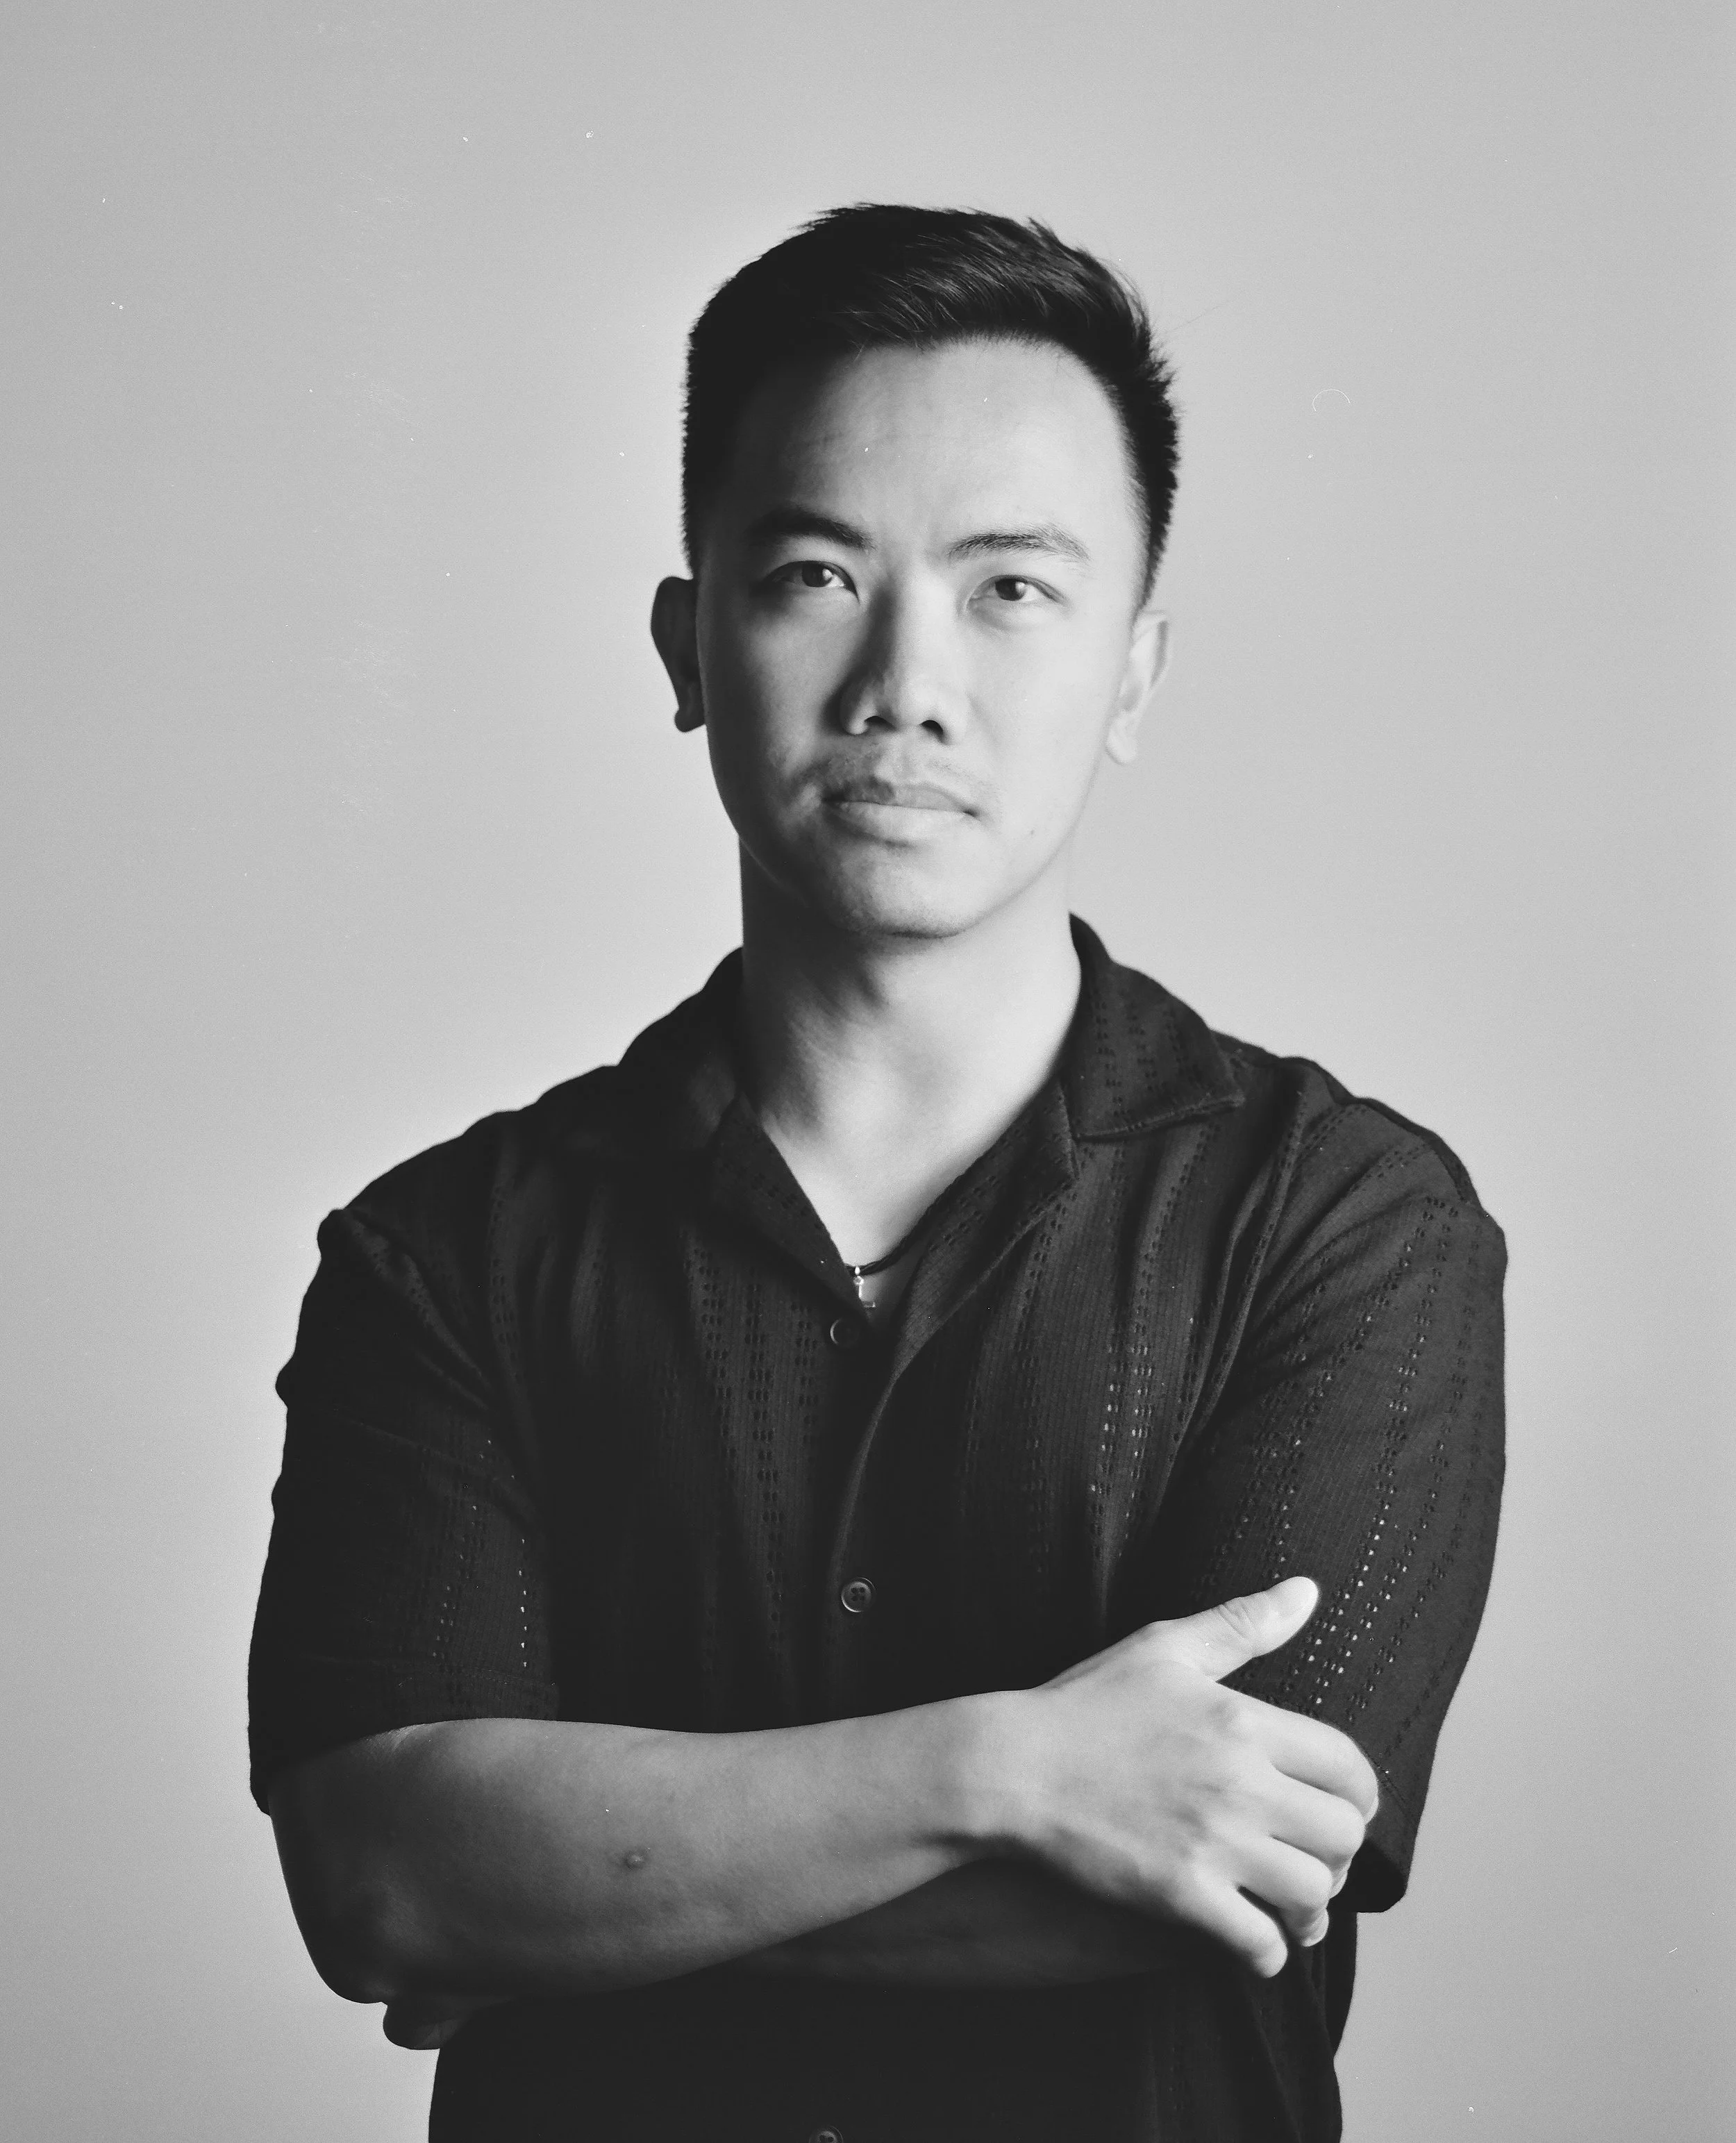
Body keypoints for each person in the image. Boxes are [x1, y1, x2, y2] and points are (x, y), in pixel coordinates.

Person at [251, 205, 1505, 2142]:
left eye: (1010, 588)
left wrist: (570, 1887)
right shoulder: (446, 1256)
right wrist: (1020, 1765)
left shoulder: (1337, 1223)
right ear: (688, 643)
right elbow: (386, 1876)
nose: (904, 680)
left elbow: (1232, 1872)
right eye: (817, 571)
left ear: (1133, 669)